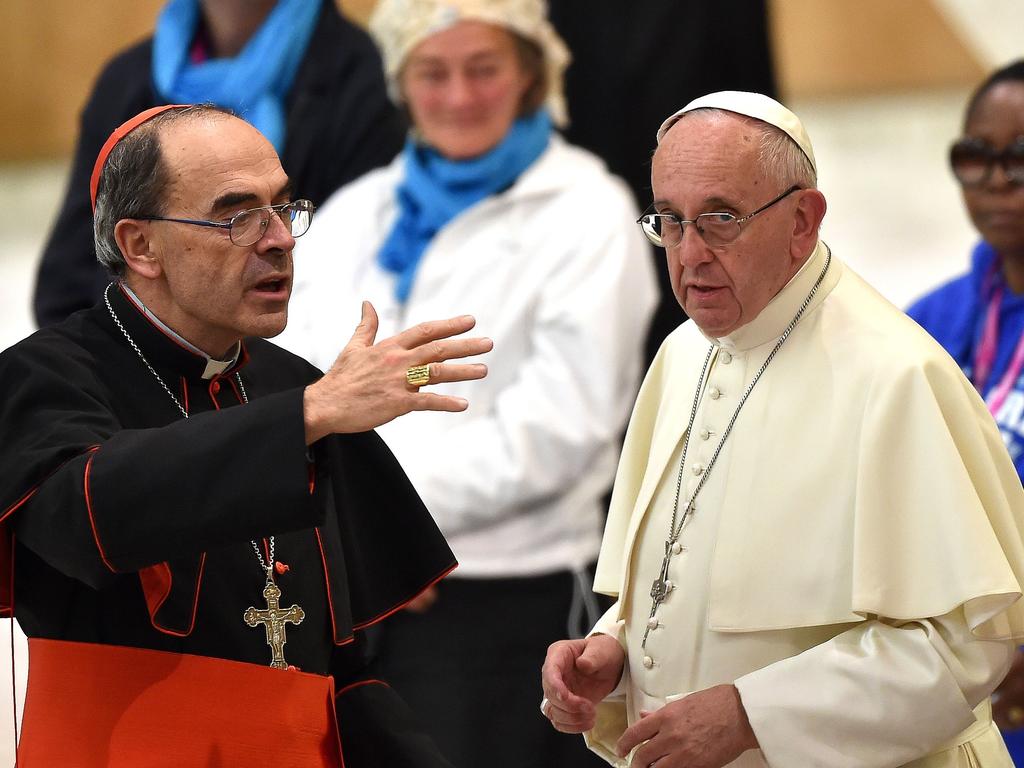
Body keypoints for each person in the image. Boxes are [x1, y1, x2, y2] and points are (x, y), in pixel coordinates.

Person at [0, 103, 494, 767]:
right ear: (140, 245)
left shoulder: (294, 385)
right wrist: (306, 418)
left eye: (284, 208)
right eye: (237, 216)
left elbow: (345, 674)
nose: (280, 240)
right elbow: (91, 515)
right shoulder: (46, 374)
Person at [540, 90, 1024, 768]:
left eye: (720, 219)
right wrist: (615, 653)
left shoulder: (895, 374)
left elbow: (966, 644)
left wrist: (752, 715)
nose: (689, 255)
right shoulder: (682, 354)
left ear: (803, 219)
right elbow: (684, 580)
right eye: (670, 222)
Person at [275, 1, 657, 766]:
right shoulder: (355, 214)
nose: (458, 95)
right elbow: (294, 391)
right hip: (349, 592)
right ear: (399, 81)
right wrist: (351, 540)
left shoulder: (589, 212)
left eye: (483, 69)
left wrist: (387, 535)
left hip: (508, 600)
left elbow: (559, 430)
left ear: (529, 74)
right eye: (432, 72)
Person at [33, 0, 406, 328]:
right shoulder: (128, 79)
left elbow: (353, 275)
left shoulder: (366, 75)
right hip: (139, 358)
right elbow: (65, 285)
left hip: (290, 350)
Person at [907, 59, 1024, 757]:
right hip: (957, 680)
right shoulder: (934, 318)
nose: (997, 179)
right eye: (973, 156)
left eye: (1022, 157)